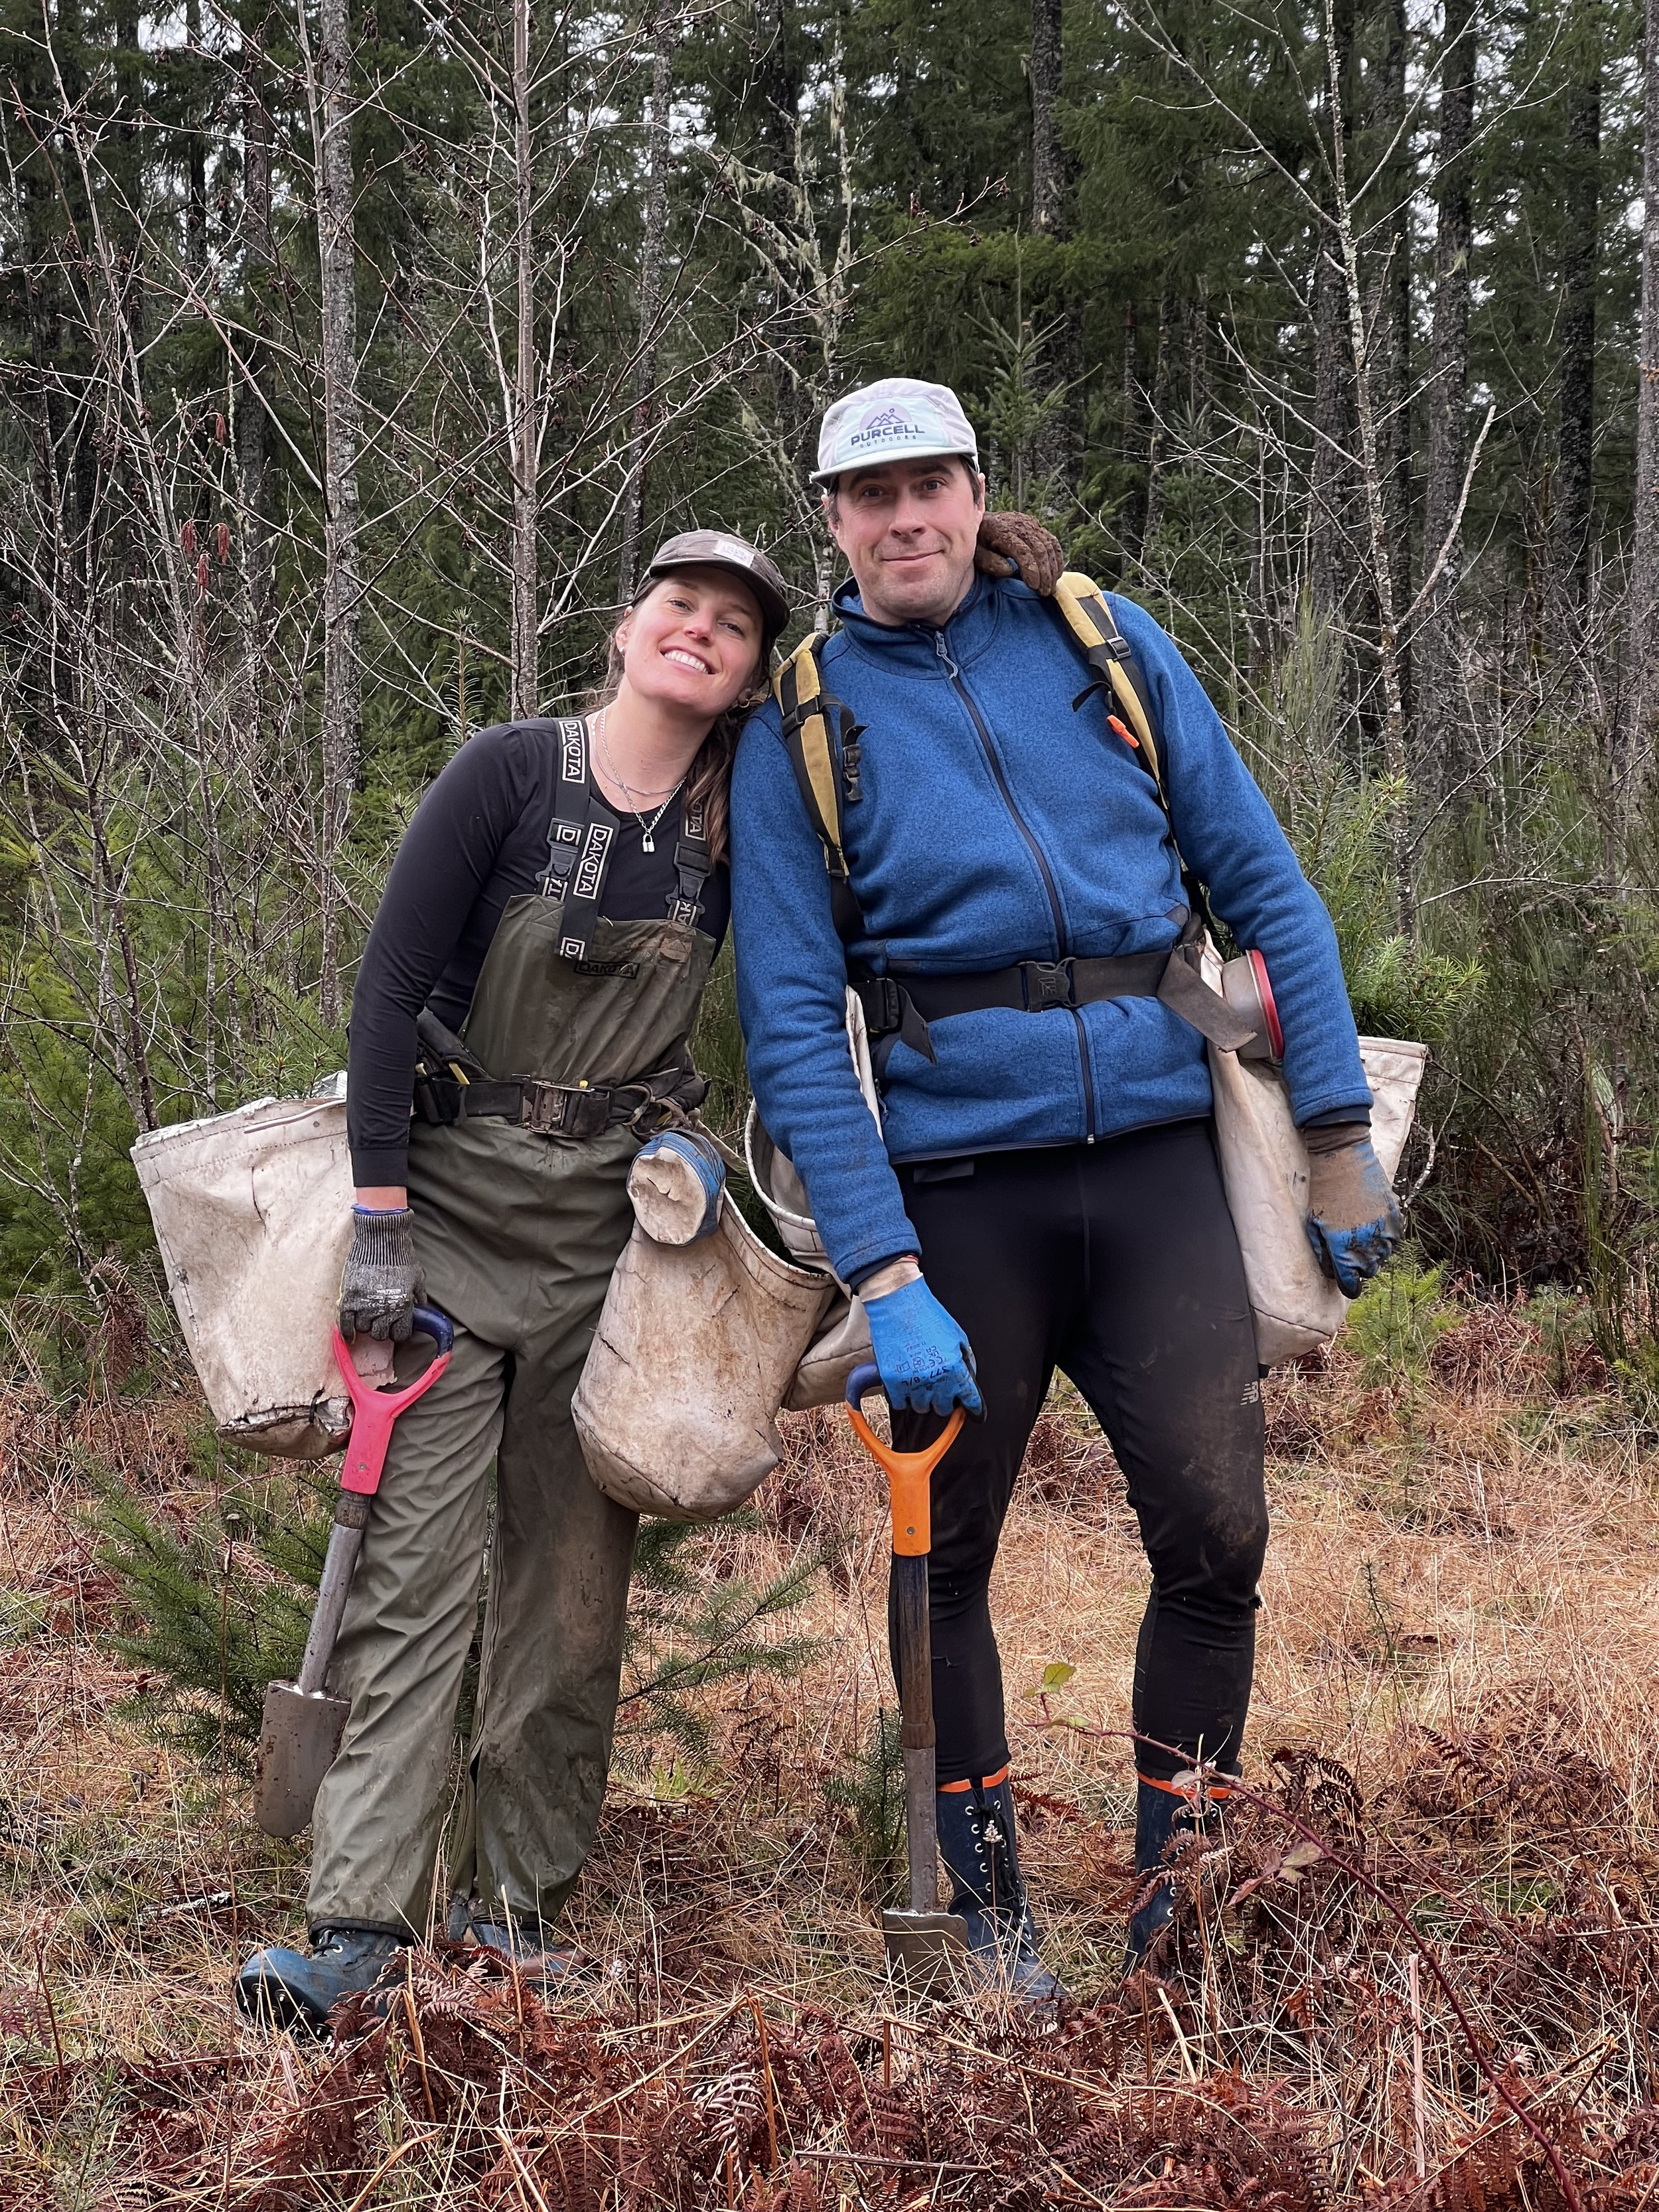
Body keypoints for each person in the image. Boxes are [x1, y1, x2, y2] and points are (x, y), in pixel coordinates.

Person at [729, 378, 1401, 1996]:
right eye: (867, 495)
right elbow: (792, 1032)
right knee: (943, 1554)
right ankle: (979, 1902)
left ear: (972, 490)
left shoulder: (1102, 641)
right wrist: (886, 1277)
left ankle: (1185, 1878)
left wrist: (1333, 1136)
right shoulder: (801, 720)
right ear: (830, 521)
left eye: (930, 485)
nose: (904, 519)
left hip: (1158, 1161)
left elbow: (1266, 890)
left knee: (1214, 1524)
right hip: (960, 1191)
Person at [235, 532, 790, 2033]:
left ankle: (508, 1916)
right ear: (626, 626)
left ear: (746, 674)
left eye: (733, 625)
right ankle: (354, 1925)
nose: (701, 630)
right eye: (680, 604)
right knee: (411, 1578)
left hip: (614, 1252)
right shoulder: (505, 773)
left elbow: (809, 993)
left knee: (568, 1588)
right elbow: (385, 992)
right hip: (448, 1227)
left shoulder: (740, 825)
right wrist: (378, 1222)